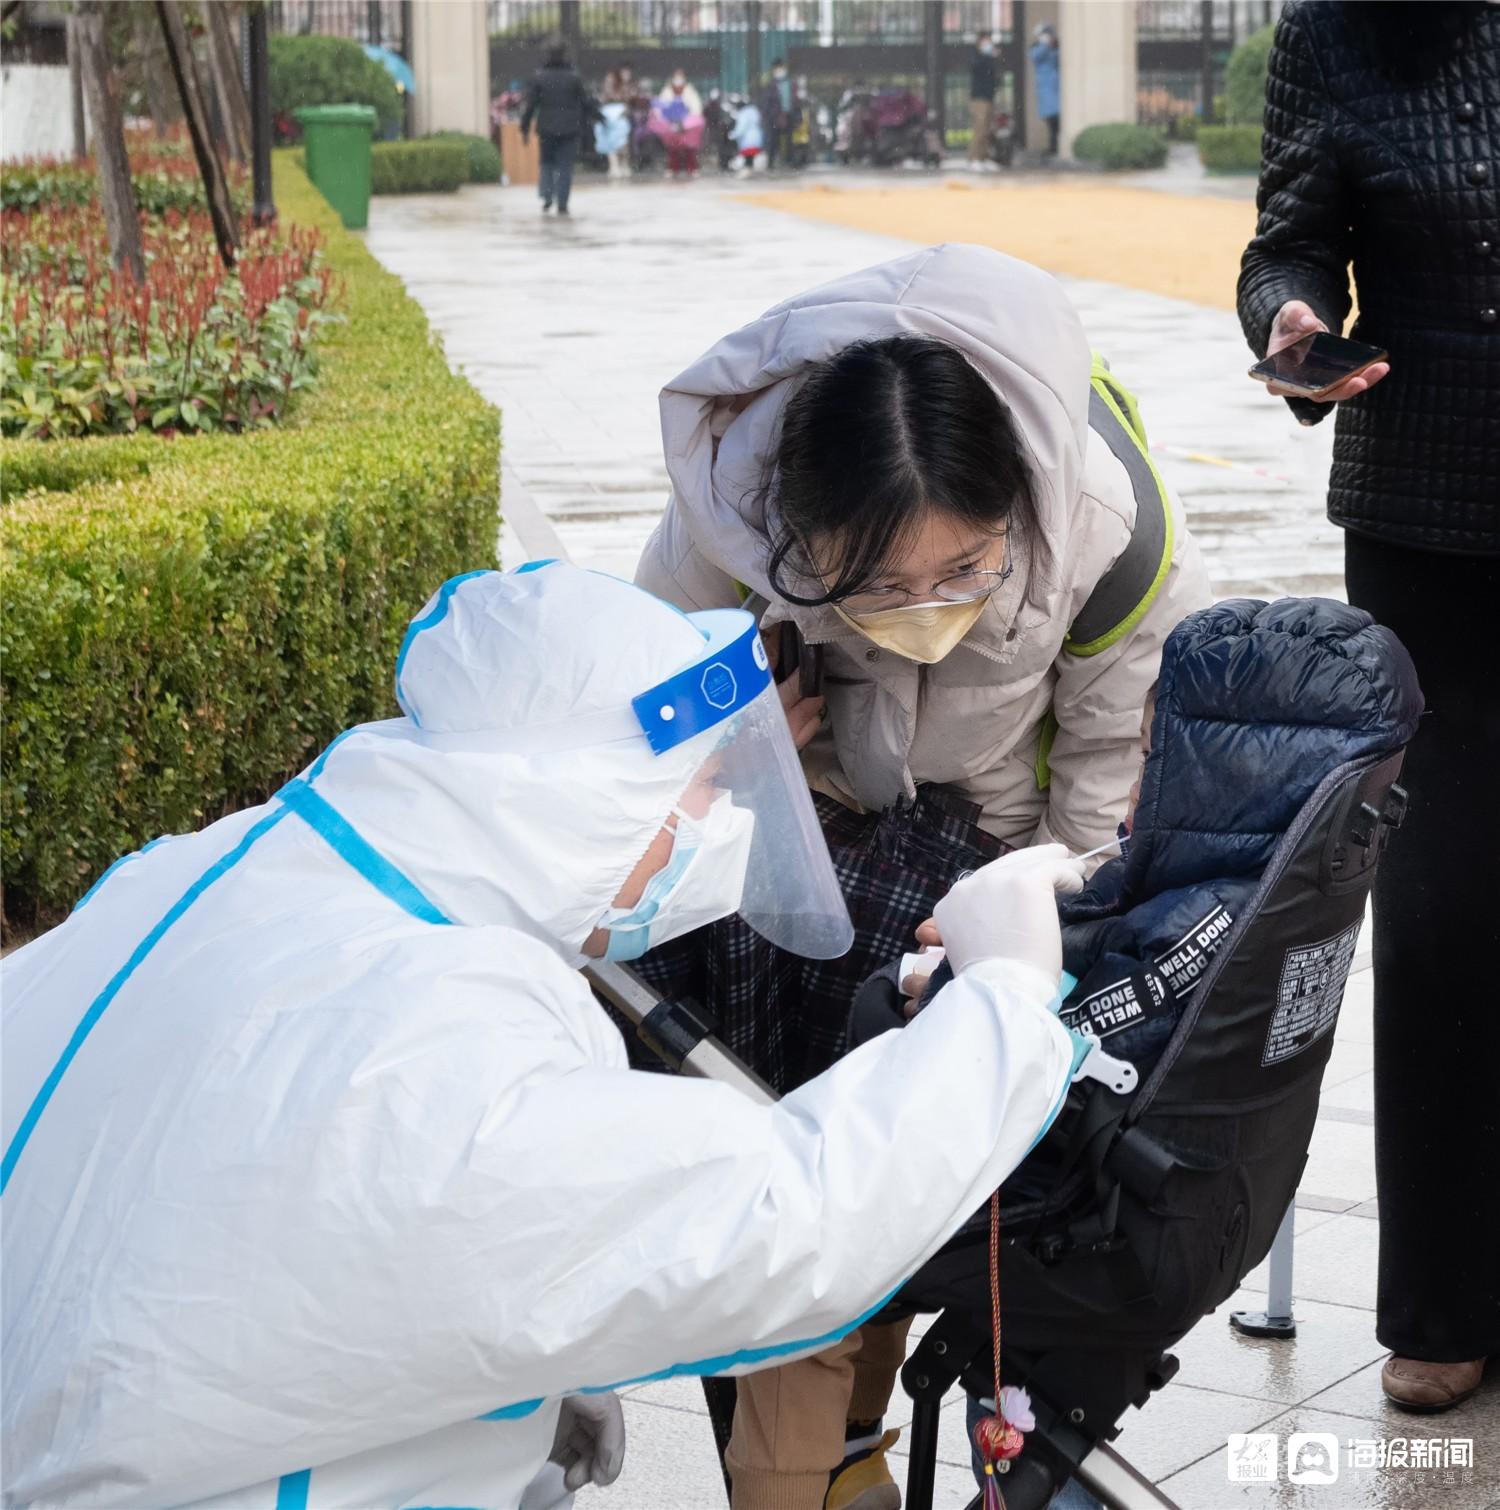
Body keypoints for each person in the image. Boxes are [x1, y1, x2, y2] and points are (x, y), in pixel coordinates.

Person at [2, 562, 1089, 1509]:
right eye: (705, 788)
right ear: (583, 792)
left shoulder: (231, 869)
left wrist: (526, 1368)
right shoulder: (432, 1043)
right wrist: (1002, 993)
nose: (716, 827)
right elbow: (796, 1221)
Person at [751, 596, 1423, 1510]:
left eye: (1159, 755)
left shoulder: (1193, 922)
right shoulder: (1281, 894)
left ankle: (815, 1483)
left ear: (1220, 771)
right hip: (1198, 1211)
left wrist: (959, 988)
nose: (1144, 780)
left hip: (1094, 1234)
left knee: (798, 1256)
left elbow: (1058, 1048)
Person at [1238, 0, 1500, 1414]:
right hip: (1429, 526)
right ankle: (1445, 1298)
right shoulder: (1331, 34)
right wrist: (1290, 318)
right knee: (1447, 913)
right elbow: (1286, 236)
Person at [521, 39, 594, 215]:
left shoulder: (540, 77)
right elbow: (585, 103)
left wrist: (524, 127)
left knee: (546, 163)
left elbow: (531, 106)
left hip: (547, 127)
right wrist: (593, 120)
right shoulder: (574, 77)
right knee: (565, 166)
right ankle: (562, 202)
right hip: (569, 128)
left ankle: (547, 196)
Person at [656, 69, 705, 177]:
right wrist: (669, 118)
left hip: (687, 124)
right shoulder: (667, 91)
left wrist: (685, 121)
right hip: (671, 123)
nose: (678, 80)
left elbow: (696, 108)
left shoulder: (690, 91)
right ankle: (672, 168)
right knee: (673, 148)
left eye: (680, 77)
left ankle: (692, 168)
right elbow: (660, 108)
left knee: (690, 148)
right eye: (676, 77)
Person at [969, 29, 999, 170]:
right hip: (979, 97)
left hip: (989, 97)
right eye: (986, 40)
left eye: (990, 40)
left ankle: (984, 157)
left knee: (987, 129)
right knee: (979, 129)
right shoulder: (976, 55)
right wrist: (987, 56)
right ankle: (974, 158)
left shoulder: (991, 57)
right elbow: (977, 67)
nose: (988, 43)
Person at [1029, 24, 1060, 157]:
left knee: (1057, 123)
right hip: (1047, 92)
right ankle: (1053, 147)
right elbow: (1035, 56)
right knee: (1052, 122)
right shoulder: (1036, 48)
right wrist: (1044, 45)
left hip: (1057, 90)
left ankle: (1055, 147)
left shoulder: (1056, 47)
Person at [760, 57, 795, 170]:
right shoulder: (770, 83)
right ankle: (771, 163)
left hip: (788, 114)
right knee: (773, 140)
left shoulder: (790, 82)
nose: (779, 70)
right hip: (774, 116)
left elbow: (795, 100)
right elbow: (766, 101)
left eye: (781, 67)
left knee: (789, 140)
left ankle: (789, 162)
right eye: (777, 68)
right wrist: (768, 115)